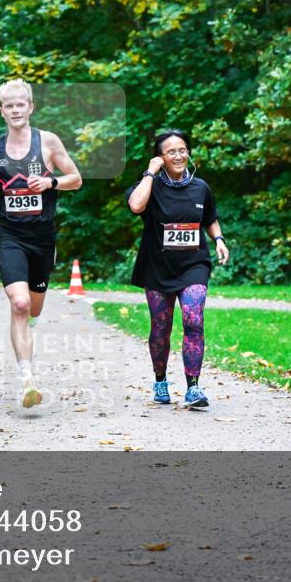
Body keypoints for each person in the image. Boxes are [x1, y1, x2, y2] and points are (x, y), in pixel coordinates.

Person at [0, 78, 82, 409]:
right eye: (9, 105)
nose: (16, 109)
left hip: (42, 237)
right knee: (18, 304)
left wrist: (50, 182)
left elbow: (75, 179)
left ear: (30, 107)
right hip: (10, 236)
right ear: (2, 111)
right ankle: (27, 380)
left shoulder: (48, 142)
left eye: (21, 104)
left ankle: (29, 328)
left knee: (33, 308)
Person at [125, 130, 230, 409]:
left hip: (194, 264)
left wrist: (218, 239)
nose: (179, 155)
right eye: (171, 151)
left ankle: (193, 388)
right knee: (161, 327)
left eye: (182, 150)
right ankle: (160, 380)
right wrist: (150, 174)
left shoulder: (201, 188)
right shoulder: (148, 187)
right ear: (160, 157)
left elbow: (210, 219)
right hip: (157, 266)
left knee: (193, 319)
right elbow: (136, 206)